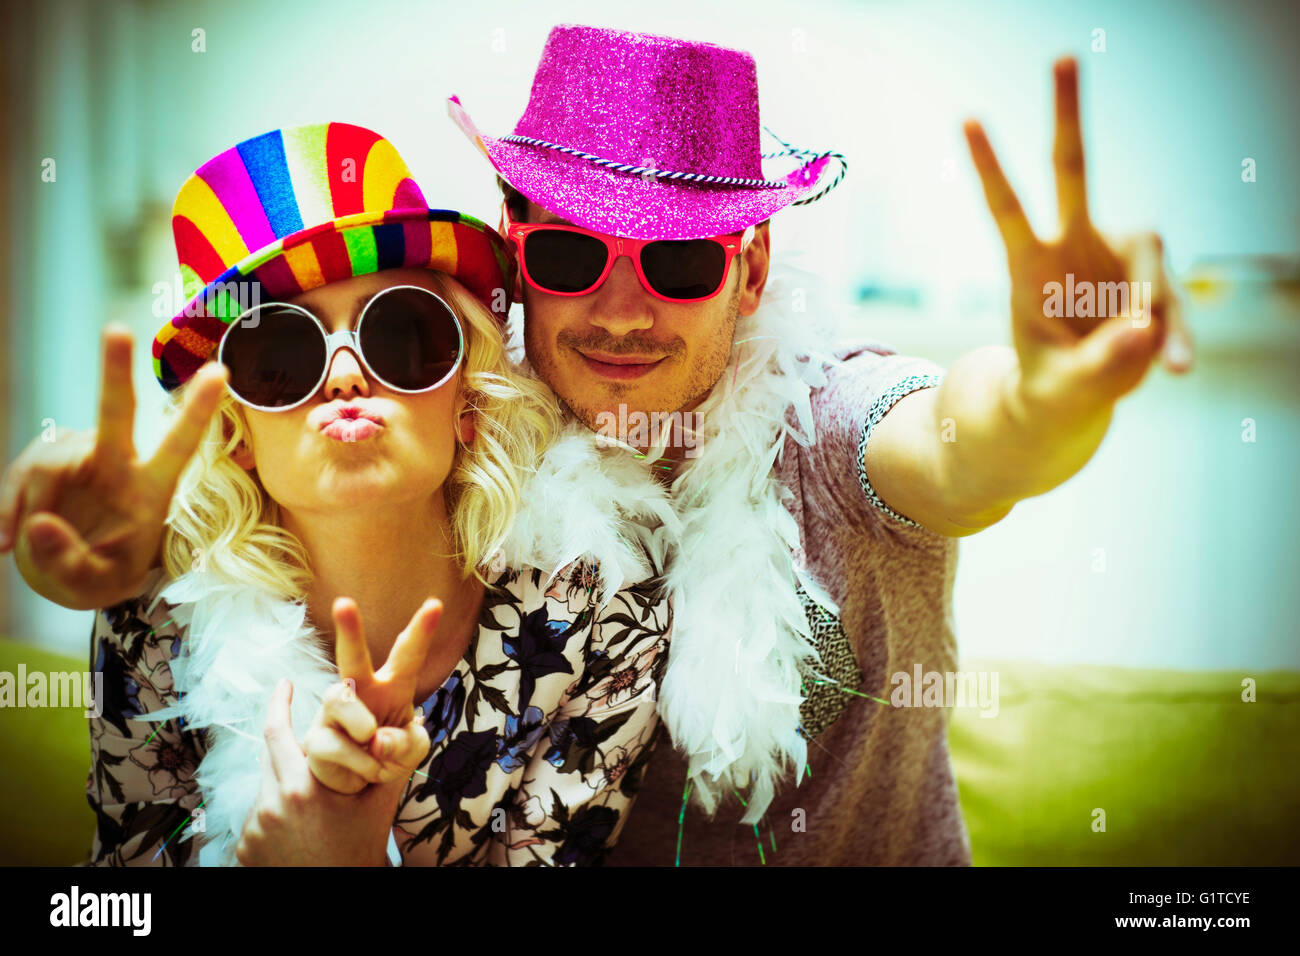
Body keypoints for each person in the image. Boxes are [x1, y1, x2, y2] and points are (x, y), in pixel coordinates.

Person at [446, 23, 1196, 865]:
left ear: (753, 268)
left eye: (681, 261)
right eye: (570, 254)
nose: (622, 312)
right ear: (515, 254)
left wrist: (1040, 403)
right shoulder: (464, 454)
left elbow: (958, 449)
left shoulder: (829, 425)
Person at [1, 122, 670, 866]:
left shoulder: (601, 612)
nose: (346, 374)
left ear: (467, 400)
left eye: (403, 335)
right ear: (237, 437)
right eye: (279, 355)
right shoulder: (158, 617)